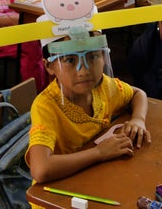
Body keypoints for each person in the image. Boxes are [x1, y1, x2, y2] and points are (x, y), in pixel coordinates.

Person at [25, 28, 150, 185]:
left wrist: (138, 119)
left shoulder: (103, 86)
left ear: (104, 57)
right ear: (49, 66)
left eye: (93, 56)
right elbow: (41, 170)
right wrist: (99, 152)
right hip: (60, 190)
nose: (84, 71)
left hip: (97, 177)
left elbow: (138, 94)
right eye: (70, 60)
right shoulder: (46, 106)